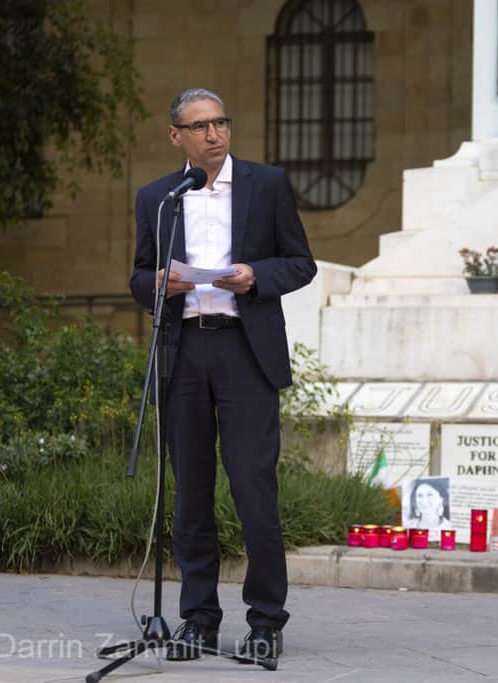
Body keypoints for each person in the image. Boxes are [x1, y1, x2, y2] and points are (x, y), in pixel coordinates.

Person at [129, 88, 316, 663]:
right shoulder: (158, 198)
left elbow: (301, 263)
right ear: (175, 136)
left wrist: (254, 276)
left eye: (221, 123)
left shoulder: (267, 184)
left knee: (254, 490)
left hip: (244, 352)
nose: (214, 134)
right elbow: (139, 276)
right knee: (190, 495)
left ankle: (265, 621)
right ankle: (198, 619)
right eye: (200, 126)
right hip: (183, 352)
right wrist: (159, 283)